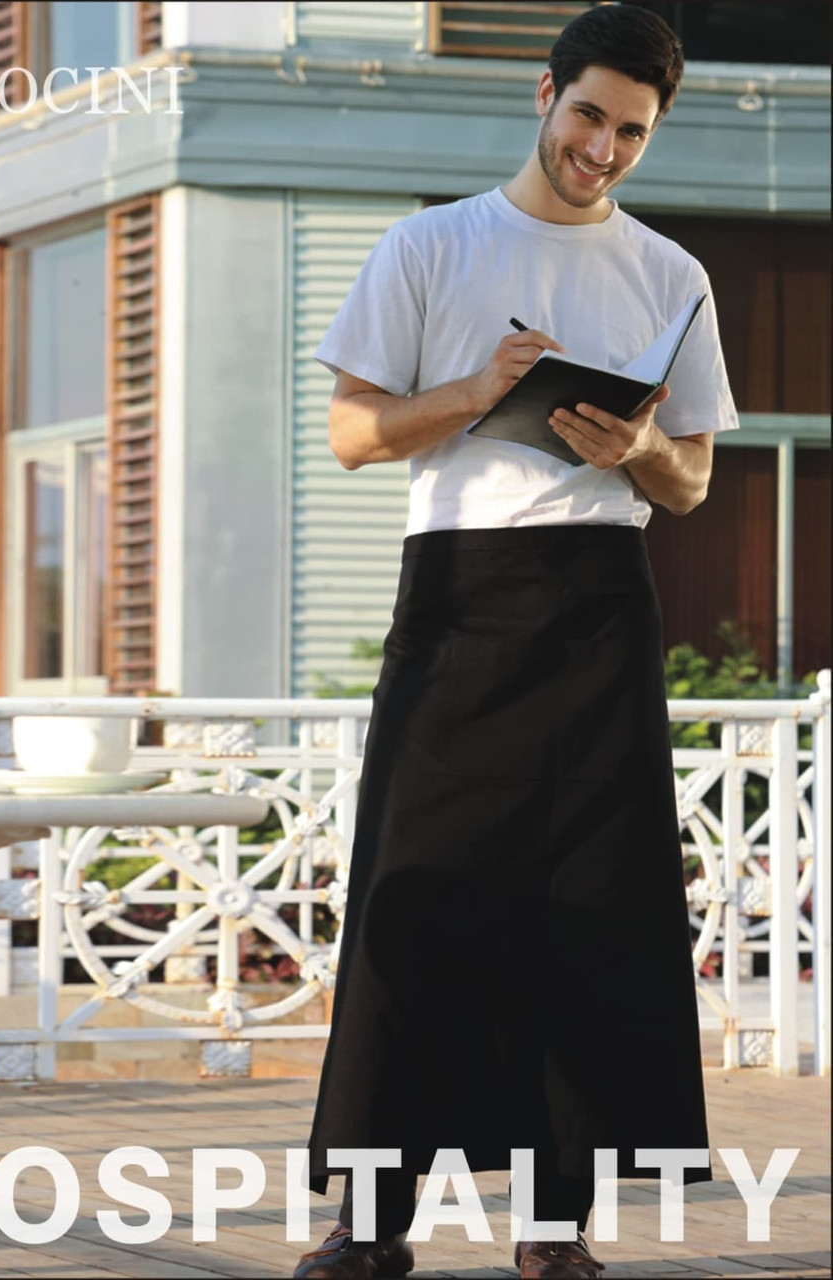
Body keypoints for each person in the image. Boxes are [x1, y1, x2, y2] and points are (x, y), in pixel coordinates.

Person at [293, 6, 739, 1279]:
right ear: (545, 95)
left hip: (600, 603)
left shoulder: (672, 273)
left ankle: (556, 1229)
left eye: (632, 132)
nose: (603, 148)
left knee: (589, 913)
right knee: (411, 901)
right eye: (589, 115)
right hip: (457, 593)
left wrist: (637, 446)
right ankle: (371, 1220)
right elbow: (353, 435)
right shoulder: (429, 244)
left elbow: (694, 480)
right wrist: (476, 394)